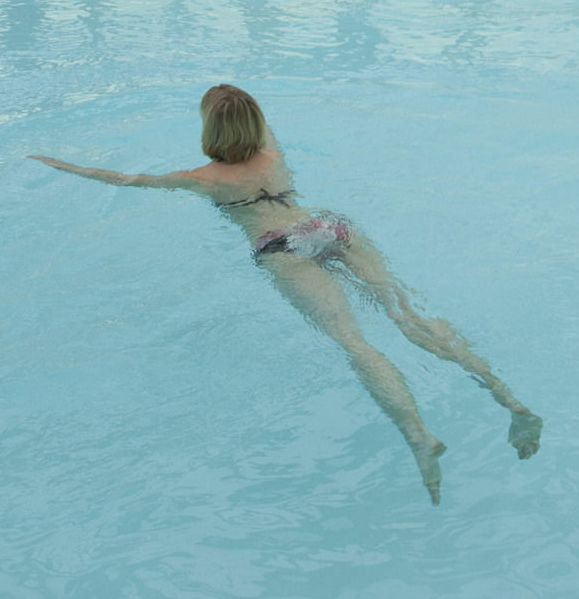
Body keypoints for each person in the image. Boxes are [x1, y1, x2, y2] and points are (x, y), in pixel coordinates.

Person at [30, 84, 541, 505]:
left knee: (354, 343)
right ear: (255, 126)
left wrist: (63, 165)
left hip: (280, 247)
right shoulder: (272, 153)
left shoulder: (202, 179)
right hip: (327, 226)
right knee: (405, 313)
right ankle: (509, 398)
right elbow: (256, 117)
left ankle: (418, 436)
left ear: (209, 131)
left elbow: (126, 180)